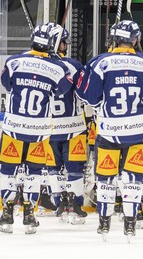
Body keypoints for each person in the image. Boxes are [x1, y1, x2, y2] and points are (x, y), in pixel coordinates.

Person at [76, 20, 143, 240]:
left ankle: (104, 222)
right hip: (139, 131)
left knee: (105, 178)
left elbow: (88, 96)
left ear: (112, 39)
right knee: (134, 178)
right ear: (134, 40)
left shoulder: (100, 62)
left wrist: (101, 107)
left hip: (109, 131)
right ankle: (131, 223)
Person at [0, 23, 72, 235]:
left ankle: (7, 213)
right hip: (39, 130)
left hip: (14, 127)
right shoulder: (58, 68)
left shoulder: (14, 61)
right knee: (34, 173)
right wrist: (53, 60)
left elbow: (7, 84)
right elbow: (62, 90)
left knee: (8, 171)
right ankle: (30, 213)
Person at [42, 25, 89, 224]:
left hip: (48, 128)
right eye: (63, 42)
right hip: (73, 127)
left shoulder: (38, 65)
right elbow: (84, 94)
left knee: (53, 168)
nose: (66, 45)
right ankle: (75, 204)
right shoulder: (74, 65)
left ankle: (59, 202)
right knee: (74, 168)